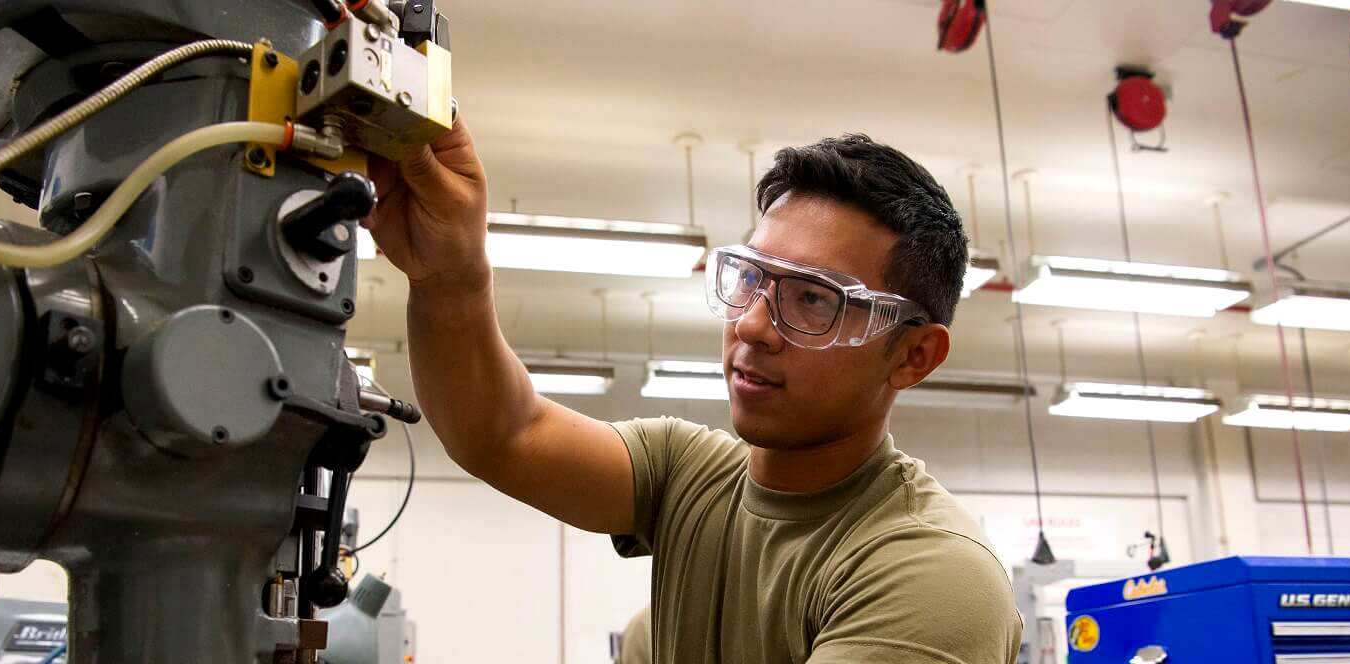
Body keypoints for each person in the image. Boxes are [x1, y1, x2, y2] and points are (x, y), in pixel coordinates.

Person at [362, 116, 1023, 664]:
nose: (756, 325)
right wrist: (449, 275)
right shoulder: (690, 475)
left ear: (913, 355)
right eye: (751, 279)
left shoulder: (929, 572)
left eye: (815, 301)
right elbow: (503, 434)